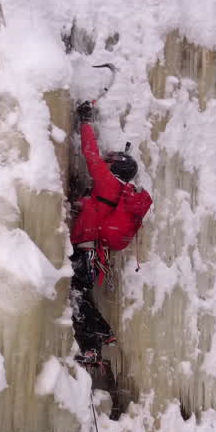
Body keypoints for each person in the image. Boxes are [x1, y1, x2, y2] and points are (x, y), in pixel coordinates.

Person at [69, 101, 153, 367]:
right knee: (79, 294)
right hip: (95, 255)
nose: (104, 165)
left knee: (76, 296)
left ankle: (101, 334)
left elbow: (90, 154)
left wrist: (85, 122)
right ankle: (95, 344)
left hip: (86, 252)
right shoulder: (119, 193)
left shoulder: (107, 183)